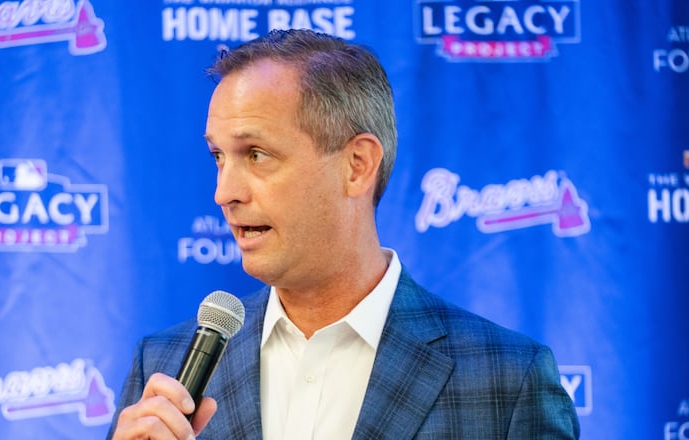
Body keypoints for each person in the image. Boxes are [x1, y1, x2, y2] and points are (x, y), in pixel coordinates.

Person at [108, 29, 580, 439]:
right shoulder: (163, 365)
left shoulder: (507, 380)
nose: (223, 193)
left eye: (255, 154)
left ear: (357, 166)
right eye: (218, 157)